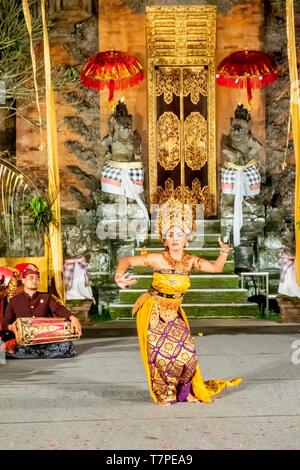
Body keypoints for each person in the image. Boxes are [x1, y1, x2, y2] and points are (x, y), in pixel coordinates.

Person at [114, 200, 242, 406]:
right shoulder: (157, 259)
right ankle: (165, 394)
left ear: (186, 240)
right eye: (170, 235)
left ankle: (185, 393)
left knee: (187, 353)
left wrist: (224, 254)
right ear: (164, 240)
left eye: (179, 234)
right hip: (153, 309)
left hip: (173, 311)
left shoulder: (191, 261)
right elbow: (126, 261)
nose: (175, 239)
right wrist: (119, 276)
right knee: (160, 356)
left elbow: (215, 269)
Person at [2, 264, 82, 359]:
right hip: (23, 342)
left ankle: (31, 354)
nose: (34, 281)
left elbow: (58, 308)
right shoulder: (14, 301)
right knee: (10, 347)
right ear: (23, 280)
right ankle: (41, 354)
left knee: (67, 345)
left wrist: (73, 317)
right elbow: (5, 322)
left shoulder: (46, 297)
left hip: (43, 341)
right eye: (31, 278)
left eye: (37, 278)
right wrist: (12, 327)